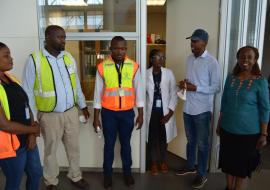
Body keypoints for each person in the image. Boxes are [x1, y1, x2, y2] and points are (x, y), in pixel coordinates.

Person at [22, 25, 90, 190]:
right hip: (49, 115)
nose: (63, 41)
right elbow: (27, 93)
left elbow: (76, 86)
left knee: (74, 148)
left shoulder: (68, 58)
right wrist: (33, 119)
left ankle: (75, 176)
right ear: (47, 37)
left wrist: (83, 106)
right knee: (50, 151)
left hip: (71, 112)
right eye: (60, 37)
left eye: (64, 37)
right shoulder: (34, 59)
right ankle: (51, 181)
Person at [93, 36, 144, 189]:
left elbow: (139, 91)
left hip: (127, 113)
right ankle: (107, 175)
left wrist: (141, 114)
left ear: (126, 49)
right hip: (108, 114)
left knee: (126, 144)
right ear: (110, 49)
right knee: (108, 145)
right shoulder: (102, 67)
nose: (120, 51)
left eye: (123, 48)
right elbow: (97, 93)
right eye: (116, 48)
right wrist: (96, 117)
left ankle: (127, 173)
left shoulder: (133, 66)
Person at [217, 46, 269, 190]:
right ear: (238, 59)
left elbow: (265, 109)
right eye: (242, 56)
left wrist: (264, 134)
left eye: (249, 57)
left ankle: (237, 189)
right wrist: (219, 123)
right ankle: (228, 187)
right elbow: (224, 102)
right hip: (227, 129)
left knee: (241, 165)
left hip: (248, 134)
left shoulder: (261, 82)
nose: (245, 59)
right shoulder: (230, 78)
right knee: (228, 163)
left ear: (255, 60)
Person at [176, 29, 221, 189]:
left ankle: (201, 174)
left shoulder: (212, 62)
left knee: (202, 144)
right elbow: (192, 81)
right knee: (191, 141)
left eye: (195, 41)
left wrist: (196, 88)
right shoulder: (189, 59)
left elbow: (216, 87)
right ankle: (190, 166)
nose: (192, 44)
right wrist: (185, 84)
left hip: (202, 110)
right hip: (188, 107)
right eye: (191, 41)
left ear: (204, 43)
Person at [0, 42, 42, 190]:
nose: (11, 58)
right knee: (14, 181)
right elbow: (4, 124)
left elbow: (26, 106)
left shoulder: (12, 79)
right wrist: (33, 130)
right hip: (11, 147)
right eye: (6, 56)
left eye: (10, 55)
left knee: (36, 173)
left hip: (27, 140)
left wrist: (32, 133)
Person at [146, 49, 178, 175]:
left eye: (163, 57)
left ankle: (163, 162)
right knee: (152, 138)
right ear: (151, 59)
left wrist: (170, 113)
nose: (161, 59)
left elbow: (174, 93)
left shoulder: (169, 73)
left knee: (163, 139)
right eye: (158, 57)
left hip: (165, 112)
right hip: (151, 112)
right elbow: (142, 95)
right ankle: (154, 163)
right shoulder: (145, 74)